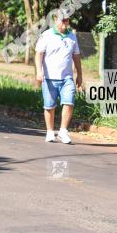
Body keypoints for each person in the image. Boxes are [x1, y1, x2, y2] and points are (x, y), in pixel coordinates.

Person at [35, 10, 83, 144]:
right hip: (49, 78)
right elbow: (39, 54)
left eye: (66, 20)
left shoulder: (72, 37)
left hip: (67, 78)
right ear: (55, 19)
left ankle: (63, 131)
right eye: (62, 20)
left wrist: (79, 75)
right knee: (49, 106)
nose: (64, 23)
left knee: (69, 102)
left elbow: (76, 56)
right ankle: (50, 132)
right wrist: (39, 72)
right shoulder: (47, 35)